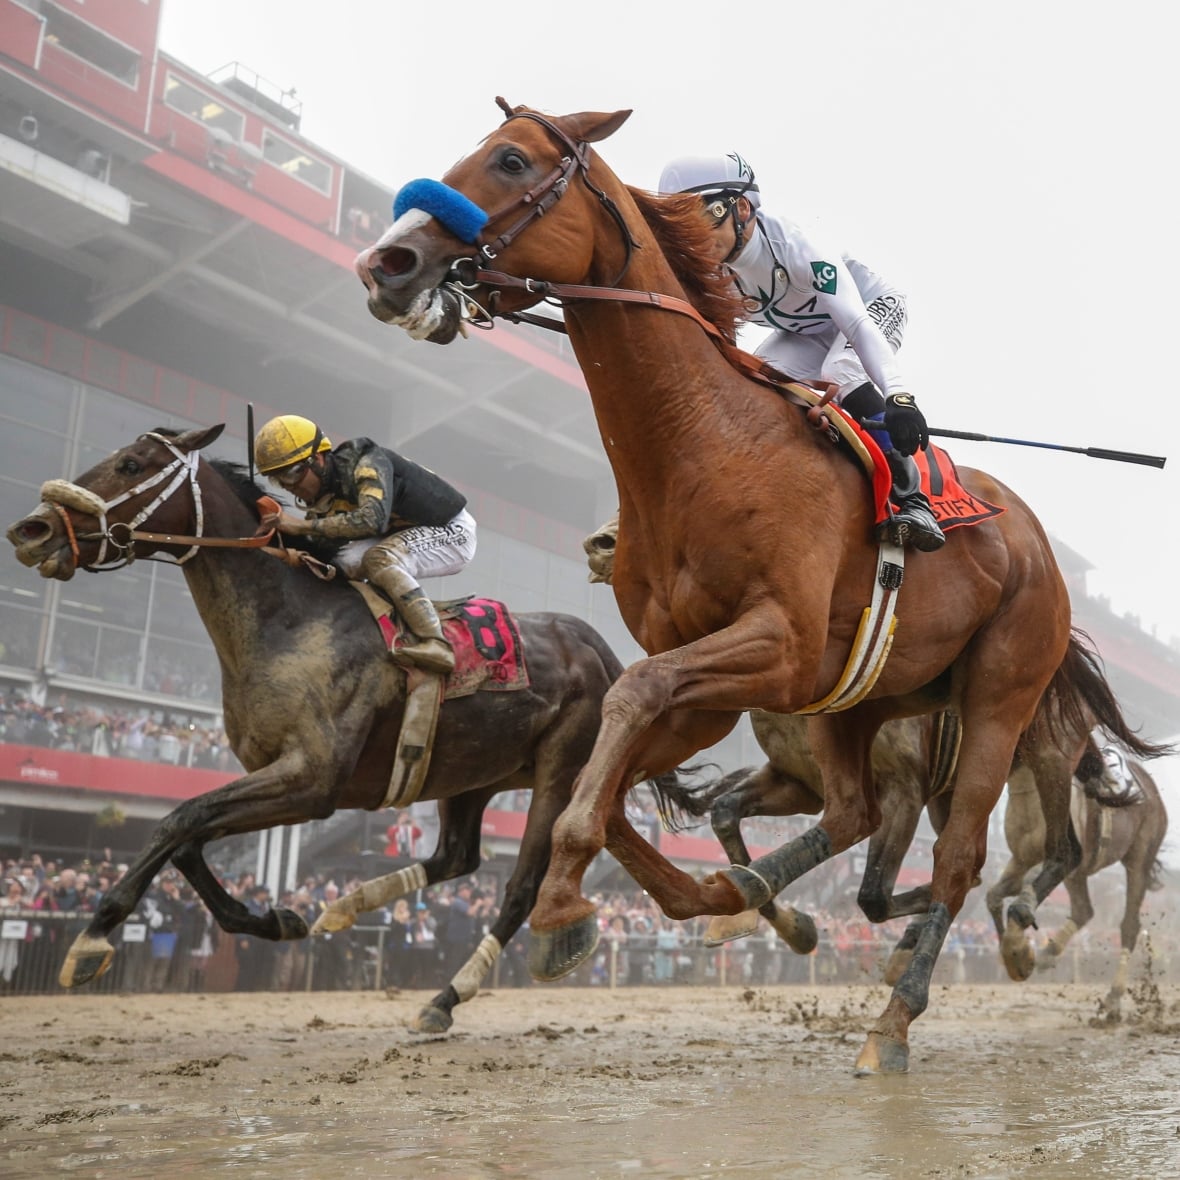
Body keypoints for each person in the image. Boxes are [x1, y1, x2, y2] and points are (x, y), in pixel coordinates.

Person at [657, 154, 945, 552]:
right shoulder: (709, 271)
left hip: (867, 309)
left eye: (705, 219)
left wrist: (898, 394)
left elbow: (855, 324)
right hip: (805, 332)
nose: (694, 239)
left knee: (841, 369)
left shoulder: (796, 244)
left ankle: (913, 500)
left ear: (742, 209)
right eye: (681, 227)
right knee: (757, 384)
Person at [253, 414, 477, 673]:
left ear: (318, 459)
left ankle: (436, 643)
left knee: (379, 559)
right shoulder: (322, 501)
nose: (288, 486)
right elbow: (319, 554)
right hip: (399, 533)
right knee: (339, 565)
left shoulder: (367, 462)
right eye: (277, 479)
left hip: (450, 530)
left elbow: (372, 520)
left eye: (292, 474)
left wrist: (299, 526)